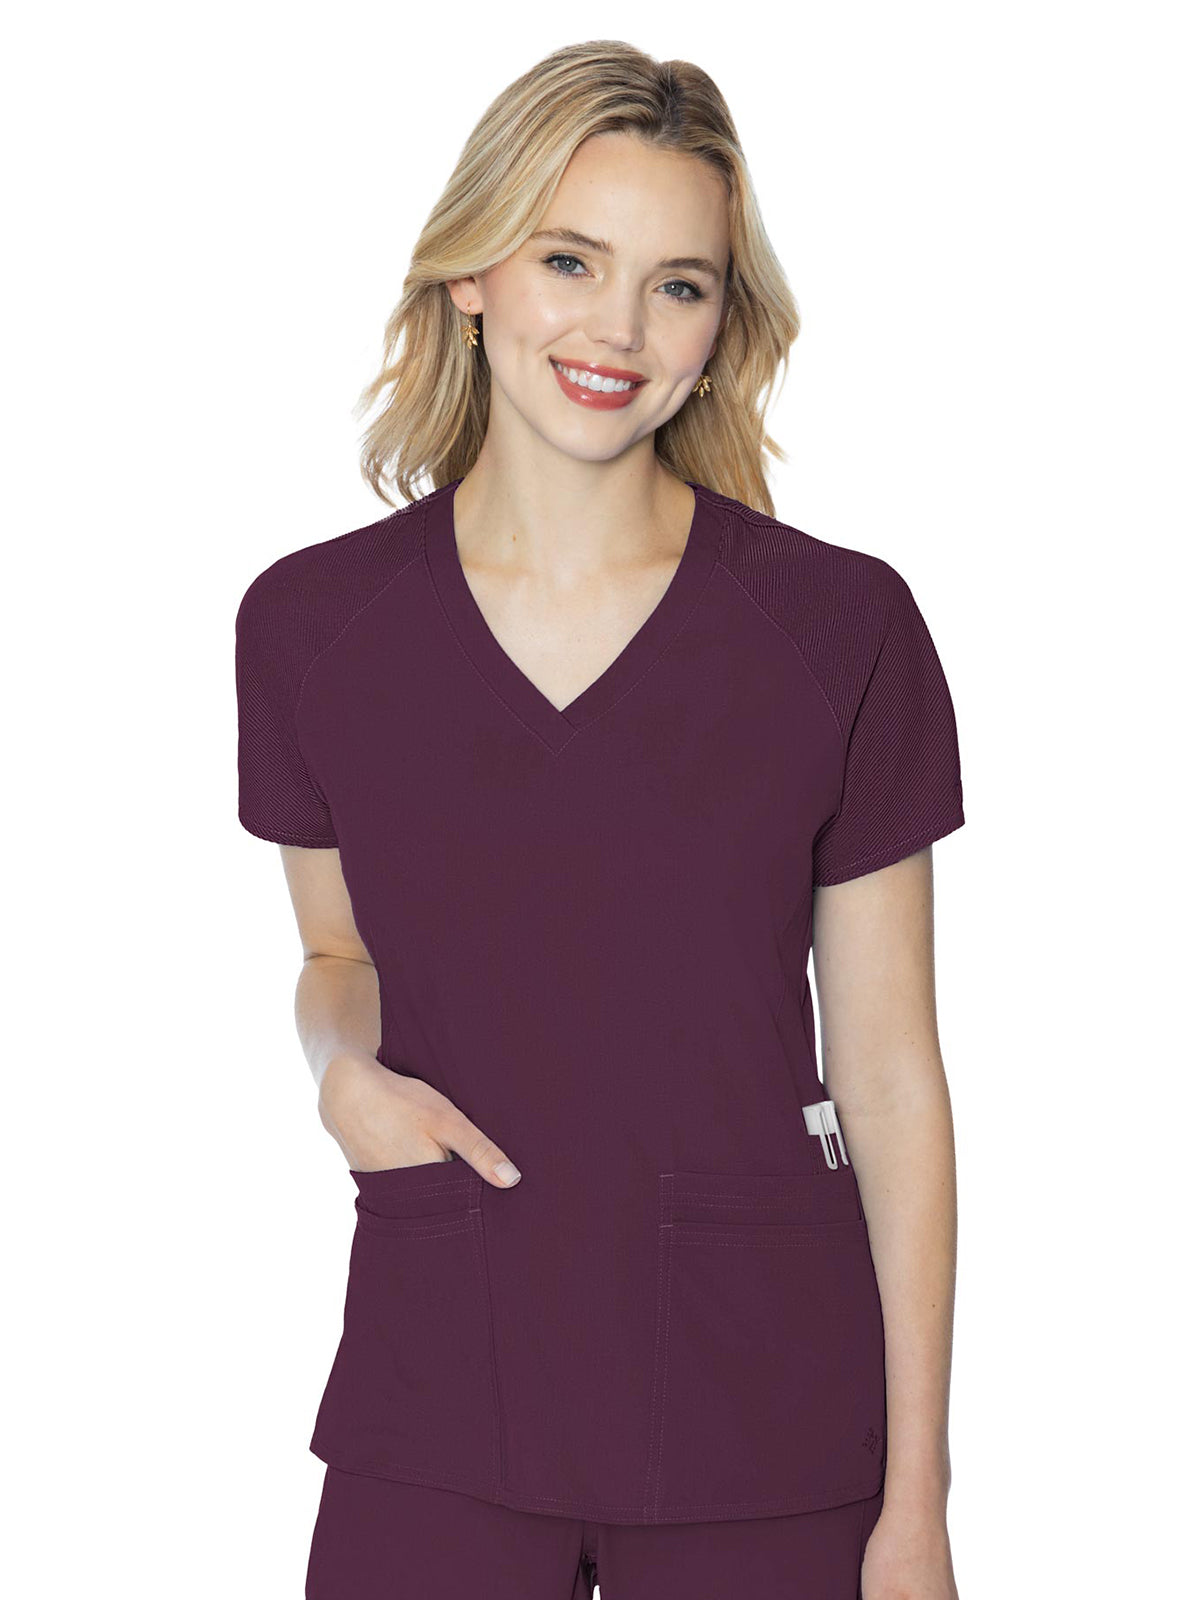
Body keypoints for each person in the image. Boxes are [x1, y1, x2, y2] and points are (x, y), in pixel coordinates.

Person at [234, 39, 965, 1600]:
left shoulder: (838, 632)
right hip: (443, 1375)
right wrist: (339, 1076)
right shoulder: (311, 629)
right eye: (571, 260)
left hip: (766, 1412)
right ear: (473, 272)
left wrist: (918, 1502)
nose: (618, 329)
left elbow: (892, 1076)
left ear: (720, 325)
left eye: (676, 285)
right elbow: (336, 955)